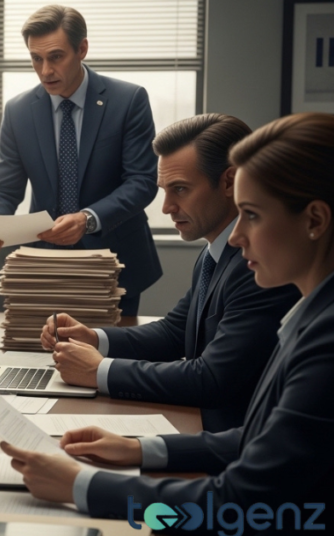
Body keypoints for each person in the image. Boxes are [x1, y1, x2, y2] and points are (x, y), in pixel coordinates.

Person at [1, 113, 334, 536]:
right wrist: (141, 449)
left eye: (252, 215)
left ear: (315, 220)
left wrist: (83, 487)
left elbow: (234, 508)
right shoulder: (324, 312)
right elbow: (261, 437)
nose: (237, 236)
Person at [40, 114, 300, 432]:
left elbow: (213, 378)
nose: (166, 207)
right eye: (164, 190)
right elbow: (175, 332)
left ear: (229, 182)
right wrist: (94, 338)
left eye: (180, 189)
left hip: (228, 441)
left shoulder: (256, 264)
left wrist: (100, 371)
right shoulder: (214, 253)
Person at [0, 5, 161, 316]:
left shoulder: (128, 100)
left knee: (109, 347)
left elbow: (142, 182)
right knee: (39, 345)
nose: (45, 70)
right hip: (43, 263)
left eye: (56, 57)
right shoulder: (19, 111)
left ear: (82, 49)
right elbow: (3, 189)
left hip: (113, 263)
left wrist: (87, 218)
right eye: (36, 58)